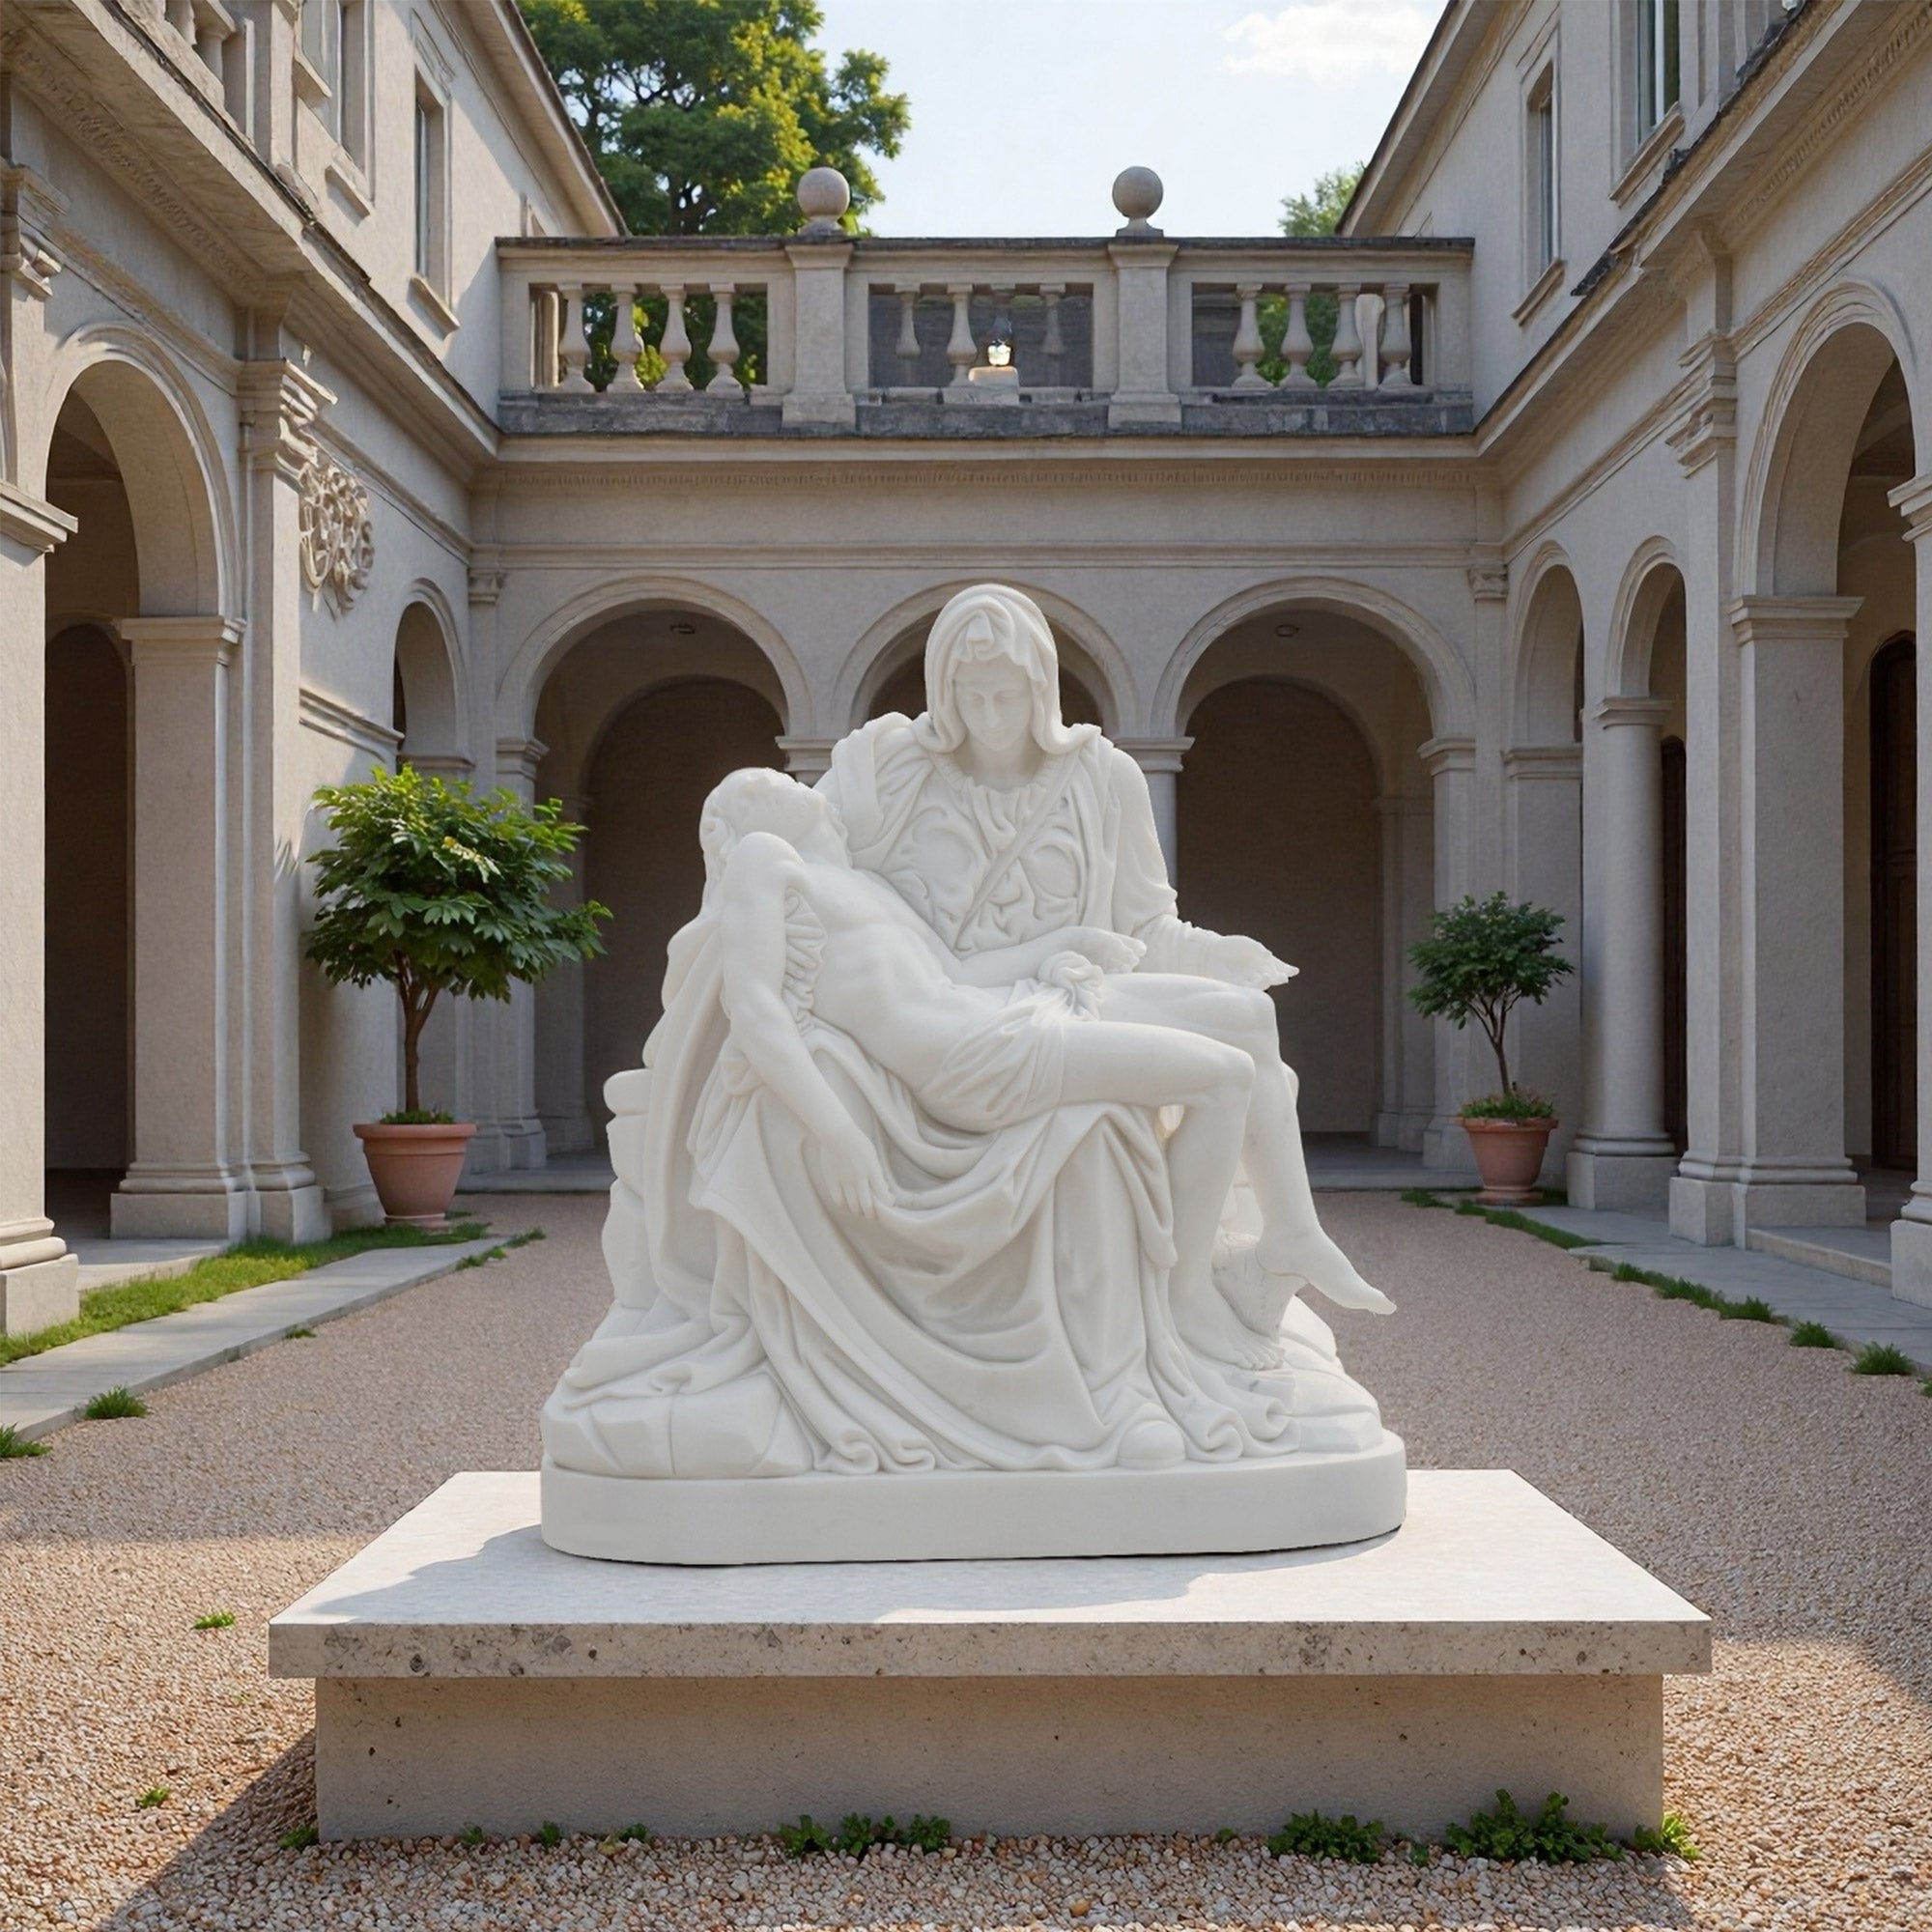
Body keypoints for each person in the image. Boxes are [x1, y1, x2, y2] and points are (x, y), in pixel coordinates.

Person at [819, 582, 1386, 1320]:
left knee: (1247, 1014)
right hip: (975, 1013)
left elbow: (1146, 929)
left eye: (1008, 696)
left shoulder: (1102, 776)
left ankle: (1292, 1234)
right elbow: (787, 844)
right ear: (944, 691)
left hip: (1070, 992)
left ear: (1041, 686)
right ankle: (1189, 1299)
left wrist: (1219, 955)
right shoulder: (892, 768)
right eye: (972, 697)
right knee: (1228, 1064)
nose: (990, 718)